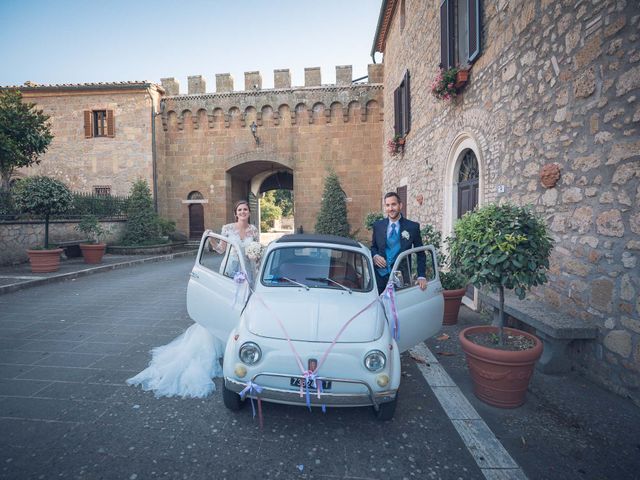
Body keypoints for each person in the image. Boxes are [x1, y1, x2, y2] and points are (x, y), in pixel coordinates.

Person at [128, 199, 259, 398]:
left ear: (249, 212)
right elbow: (220, 250)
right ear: (235, 213)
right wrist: (210, 238)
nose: (243, 212)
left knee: (243, 309)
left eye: (245, 209)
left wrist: (255, 256)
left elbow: (253, 255)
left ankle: (237, 344)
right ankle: (219, 344)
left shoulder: (253, 230)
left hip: (246, 274)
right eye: (239, 209)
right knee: (224, 308)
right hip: (228, 273)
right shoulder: (227, 228)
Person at [371, 192, 427, 295]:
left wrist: (421, 275)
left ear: (400, 205)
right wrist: (375, 256)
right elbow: (373, 247)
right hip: (380, 275)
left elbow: (421, 253)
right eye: (387, 205)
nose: (391, 208)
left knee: (400, 308)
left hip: (402, 276)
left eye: (393, 204)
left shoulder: (412, 227)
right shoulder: (378, 226)